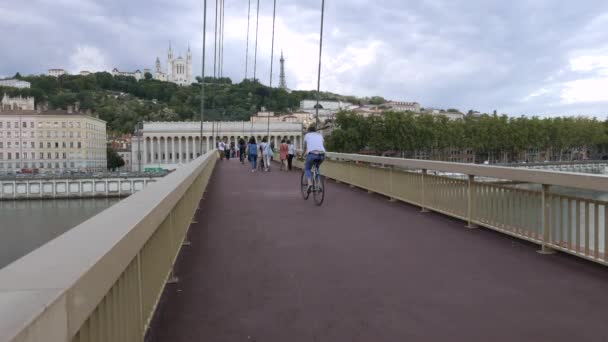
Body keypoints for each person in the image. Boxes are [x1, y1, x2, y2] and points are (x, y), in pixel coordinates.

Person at [303, 125, 325, 192]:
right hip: (322, 154)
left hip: (312, 154)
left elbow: (305, 147)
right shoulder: (320, 135)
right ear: (315, 130)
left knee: (307, 168)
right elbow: (321, 144)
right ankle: (319, 184)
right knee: (317, 167)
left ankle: (309, 184)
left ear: (308, 130)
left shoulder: (307, 135)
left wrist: (302, 155)